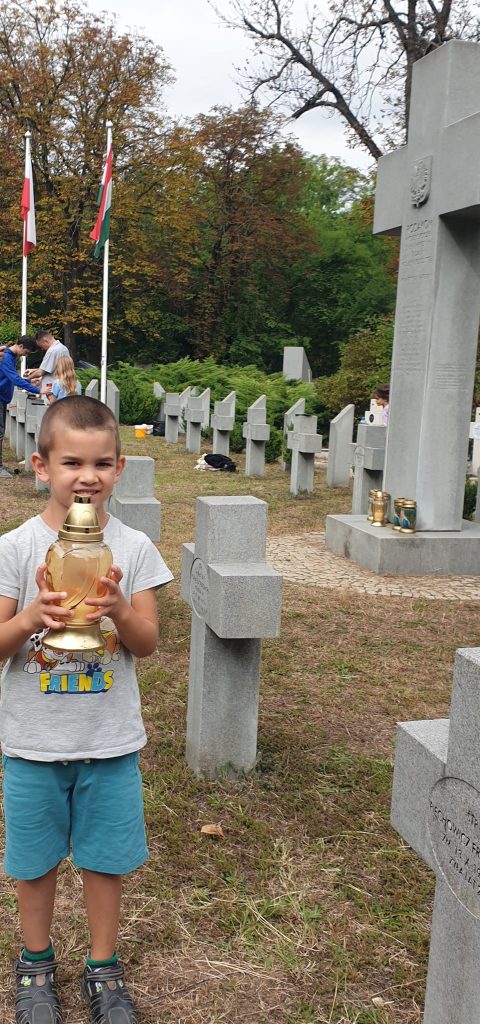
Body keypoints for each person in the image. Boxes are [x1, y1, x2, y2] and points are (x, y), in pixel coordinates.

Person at [0, 396, 173, 1024]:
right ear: (42, 467)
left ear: (119, 469)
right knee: (34, 861)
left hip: (109, 742)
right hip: (34, 744)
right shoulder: (17, 547)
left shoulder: (132, 544)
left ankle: (103, 970)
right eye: (71, 461)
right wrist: (30, 617)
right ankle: (36, 965)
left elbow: (147, 644)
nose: (87, 475)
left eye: (102, 463)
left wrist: (119, 609)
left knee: (105, 859)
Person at [0, 335, 41, 479]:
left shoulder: (10, 356)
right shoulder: (7, 357)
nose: (26, 355)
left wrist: (29, 381)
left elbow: (10, 377)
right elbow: (13, 378)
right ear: (21, 346)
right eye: (27, 352)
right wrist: (38, 390)